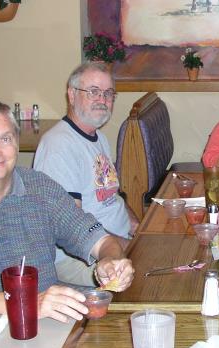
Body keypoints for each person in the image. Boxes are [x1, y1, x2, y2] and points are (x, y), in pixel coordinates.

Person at [0, 99, 134, 322]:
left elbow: (100, 240)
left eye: (5, 139)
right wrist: (25, 303)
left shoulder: (40, 188)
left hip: (48, 327)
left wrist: (112, 261)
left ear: (17, 143)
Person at [34, 62, 138, 286]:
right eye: (93, 92)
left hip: (118, 242)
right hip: (83, 259)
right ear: (72, 95)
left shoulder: (98, 137)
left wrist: (138, 228)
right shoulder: (59, 146)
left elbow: (111, 195)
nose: (102, 99)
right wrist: (125, 246)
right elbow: (71, 226)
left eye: (108, 93)